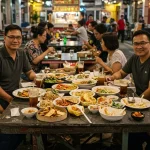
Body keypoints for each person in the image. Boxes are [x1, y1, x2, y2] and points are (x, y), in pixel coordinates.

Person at [108, 30, 150, 150]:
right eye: (136, 44)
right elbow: (121, 73)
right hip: (140, 102)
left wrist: (136, 101)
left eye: (143, 43)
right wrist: (111, 77)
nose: (139, 47)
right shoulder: (135, 58)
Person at [0, 24, 36, 149]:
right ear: (4, 37)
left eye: (18, 37)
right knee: (7, 132)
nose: (15, 40)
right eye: (11, 37)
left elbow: (29, 72)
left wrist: (36, 77)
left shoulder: (21, 53)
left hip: (17, 97)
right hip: (4, 99)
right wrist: (9, 100)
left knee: (24, 127)